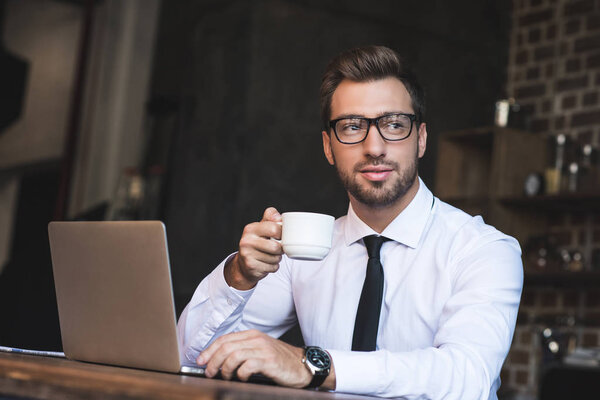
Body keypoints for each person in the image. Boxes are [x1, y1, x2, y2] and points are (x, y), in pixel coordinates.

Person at [177, 45, 523, 399]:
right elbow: (192, 357)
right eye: (353, 126)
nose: (374, 146)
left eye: (393, 124)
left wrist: (312, 365)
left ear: (420, 139)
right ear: (328, 147)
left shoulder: (483, 250)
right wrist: (239, 277)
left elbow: (466, 378)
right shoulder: (302, 248)